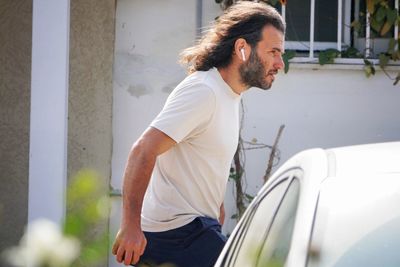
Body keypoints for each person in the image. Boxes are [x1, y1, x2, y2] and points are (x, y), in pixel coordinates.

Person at [112, 1, 285, 266]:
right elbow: (143, 150)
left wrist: (216, 206)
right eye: (273, 52)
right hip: (175, 236)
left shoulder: (228, 94)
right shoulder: (205, 91)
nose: (280, 63)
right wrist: (130, 227)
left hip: (195, 230)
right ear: (242, 48)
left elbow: (201, 153)